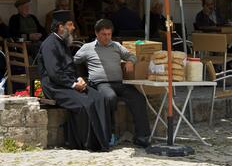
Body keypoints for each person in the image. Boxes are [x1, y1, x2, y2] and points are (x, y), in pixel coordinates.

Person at [37, 10, 110, 152]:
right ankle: (86, 143)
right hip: (54, 87)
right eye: (70, 25)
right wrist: (73, 85)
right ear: (60, 27)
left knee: (100, 98)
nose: (73, 28)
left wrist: (79, 79)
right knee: (86, 103)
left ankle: (103, 139)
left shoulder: (62, 41)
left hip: (68, 83)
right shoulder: (50, 44)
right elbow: (54, 73)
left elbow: (71, 66)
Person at [74, 18, 150, 148]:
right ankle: (110, 134)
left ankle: (142, 136)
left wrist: (130, 61)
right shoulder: (87, 48)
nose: (107, 37)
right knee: (110, 98)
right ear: (96, 34)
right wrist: (80, 77)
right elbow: (74, 61)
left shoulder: (116, 46)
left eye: (109, 34)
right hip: (100, 84)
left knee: (139, 98)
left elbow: (131, 55)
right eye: (104, 34)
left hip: (119, 83)